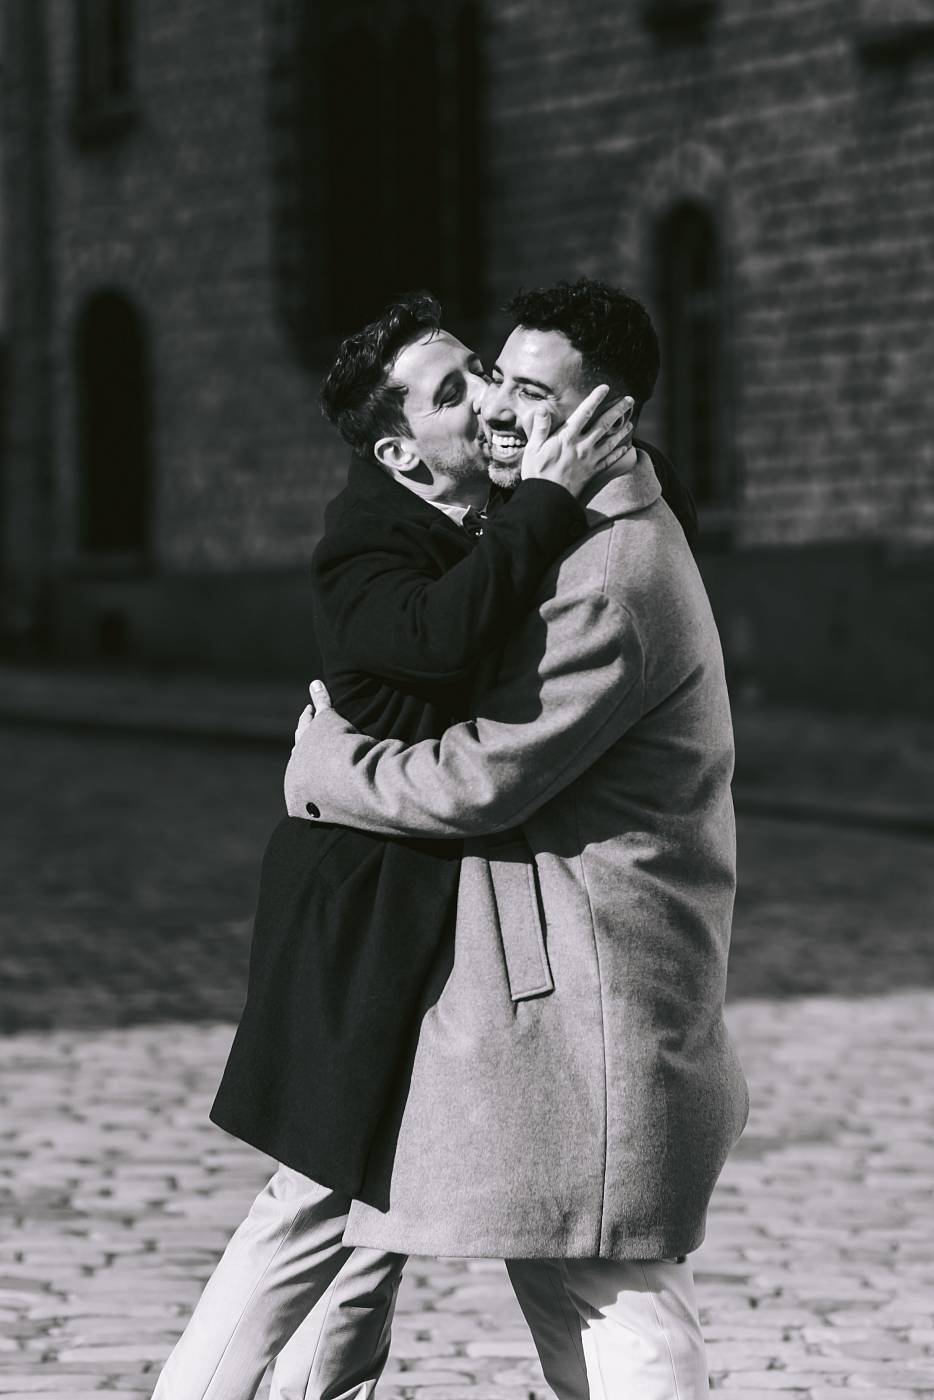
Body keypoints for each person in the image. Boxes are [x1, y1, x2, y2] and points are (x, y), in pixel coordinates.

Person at [152, 286, 687, 1399]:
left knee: (369, 1215)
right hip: (363, 911)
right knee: (315, 1203)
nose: (488, 398)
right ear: (401, 453)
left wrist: (556, 486)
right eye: (461, 388)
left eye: (494, 375)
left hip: (438, 912)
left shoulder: (515, 522)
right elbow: (448, 647)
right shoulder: (368, 546)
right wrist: (323, 768)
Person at [284, 278, 750, 1399]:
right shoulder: (573, 526)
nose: (495, 405)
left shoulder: (606, 582)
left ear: (605, 420)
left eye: (528, 391)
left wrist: (331, 768)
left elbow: (482, 778)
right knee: (429, 1237)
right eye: (493, 373)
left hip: (596, 996)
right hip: (542, 987)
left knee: (609, 1283)